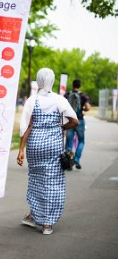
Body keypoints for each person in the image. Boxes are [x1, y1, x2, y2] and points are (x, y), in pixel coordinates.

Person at [17, 68, 78, 235]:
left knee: (36, 181)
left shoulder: (32, 100)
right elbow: (74, 121)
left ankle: (33, 215)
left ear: (39, 81)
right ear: (52, 80)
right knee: (53, 183)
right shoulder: (59, 100)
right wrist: (61, 127)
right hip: (53, 146)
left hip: (35, 146)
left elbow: (27, 127)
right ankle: (47, 224)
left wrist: (21, 149)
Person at [64, 79, 91, 170]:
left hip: (69, 121)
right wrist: (83, 109)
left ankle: (69, 163)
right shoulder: (83, 95)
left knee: (69, 142)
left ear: (72, 85)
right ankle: (77, 159)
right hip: (79, 121)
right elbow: (88, 108)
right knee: (81, 141)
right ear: (80, 85)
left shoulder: (67, 94)